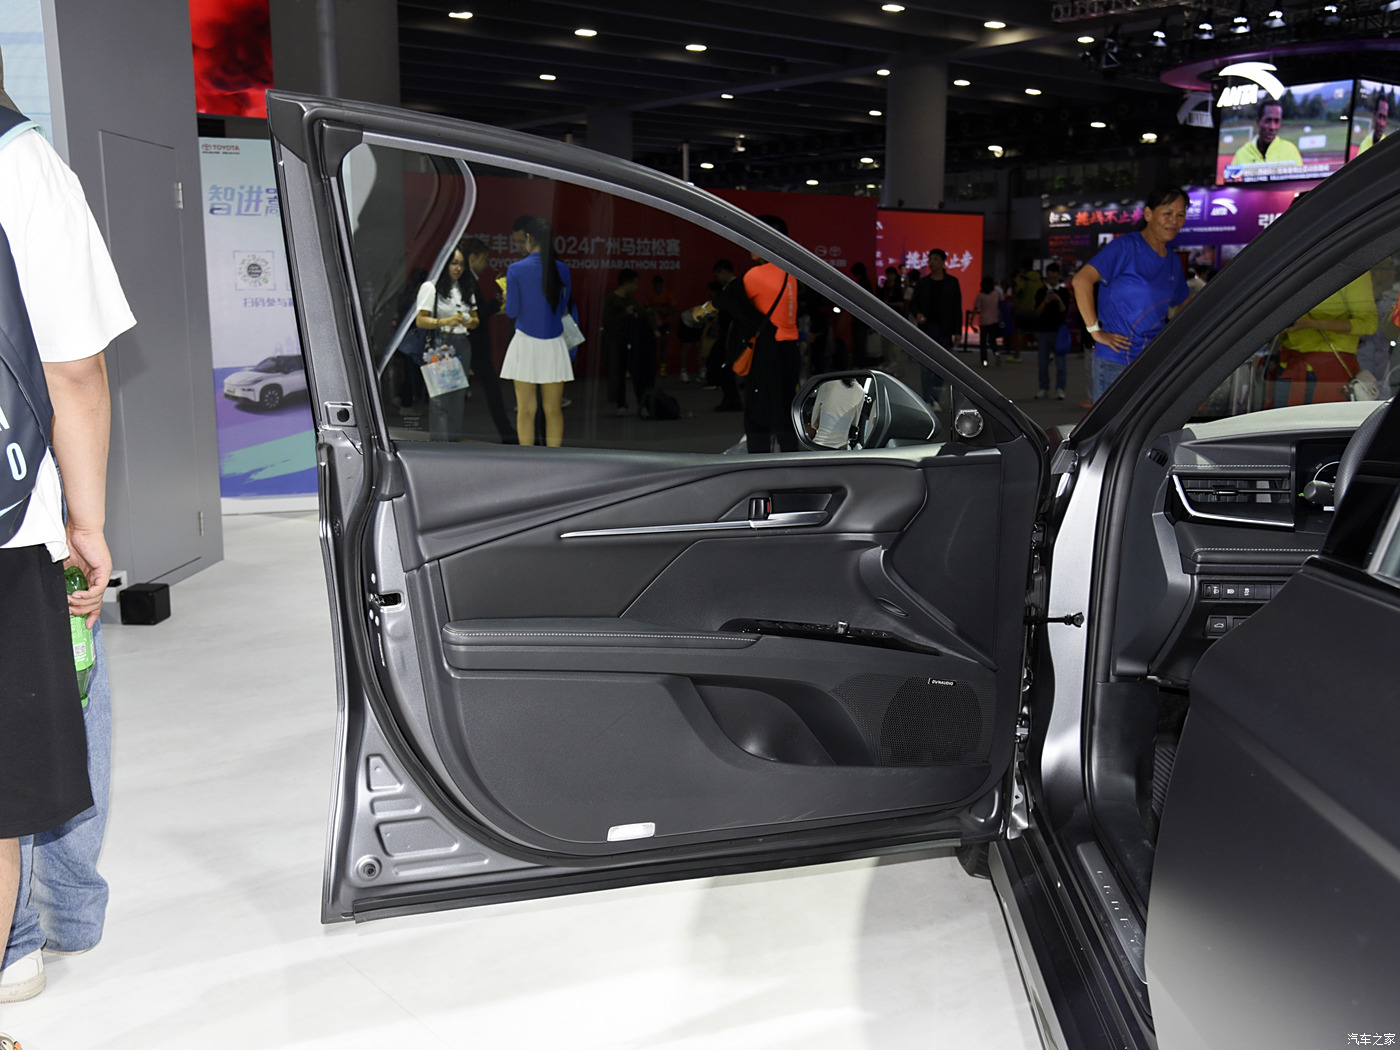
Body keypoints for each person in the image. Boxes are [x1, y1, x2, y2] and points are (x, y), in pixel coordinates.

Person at [0, 90, 134, 1017]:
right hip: (11, 521)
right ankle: (38, 929)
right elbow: (73, 371)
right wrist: (86, 524)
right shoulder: (20, 163)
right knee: (48, 703)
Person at [1071, 185, 1191, 400]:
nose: (1174, 221)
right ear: (1148, 214)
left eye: (1180, 215)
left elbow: (1184, 302)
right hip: (1115, 361)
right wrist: (1095, 331)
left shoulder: (1172, 261)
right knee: (1111, 422)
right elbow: (1081, 281)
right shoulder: (1126, 247)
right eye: (1167, 213)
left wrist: (1171, 337)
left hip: (1153, 362)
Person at [501, 215, 574, 446]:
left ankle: (526, 459)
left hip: (525, 343)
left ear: (529, 237)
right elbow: (562, 308)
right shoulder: (562, 269)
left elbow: (512, 311)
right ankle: (554, 458)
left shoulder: (516, 269)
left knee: (525, 410)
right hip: (554, 343)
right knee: (553, 410)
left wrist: (506, 297)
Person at [1268, 273, 1378, 406]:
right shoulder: (1291, 270)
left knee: (1322, 418)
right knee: (1283, 418)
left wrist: (1313, 324)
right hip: (1290, 364)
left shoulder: (1352, 271)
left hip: (1330, 367)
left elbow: (1368, 324)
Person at [740, 216, 801, 452]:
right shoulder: (791, 273)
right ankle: (790, 463)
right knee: (785, 412)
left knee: (758, 415)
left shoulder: (755, 276)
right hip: (789, 350)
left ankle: (759, 465)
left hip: (766, 353)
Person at [414, 246, 475, 442]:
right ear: (444, 263)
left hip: (462, 341)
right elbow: (420, 320)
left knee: (458, 399)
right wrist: (445, 321)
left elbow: (476, 318)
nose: (458, 268)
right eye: (454, 263)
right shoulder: (431, 287)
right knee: (441, 400)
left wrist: (469, 321)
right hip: (442, 343)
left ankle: (453, 444)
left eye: (462, 264)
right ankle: (440, 446)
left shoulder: (464, 287)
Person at [459, 238, 515, 443]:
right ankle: (506, 433)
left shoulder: (468, 279)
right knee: (491, 388)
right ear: (473, 257)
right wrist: (496, 303)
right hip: (474, 344)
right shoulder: (466, 280)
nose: (486, 265)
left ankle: (506, 432)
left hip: (474, 343)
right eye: (484, 259)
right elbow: (476, 314)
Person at [686, 259, 745, 412]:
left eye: (718, 274)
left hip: (731, 333)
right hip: (727, 333)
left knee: (722, 363)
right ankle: (730, 398)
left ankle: (732, 399)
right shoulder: (731, 287)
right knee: (721, 363)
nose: (717, 278)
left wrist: (702, 311)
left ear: (724, 272)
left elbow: (723, 305)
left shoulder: (736, 287)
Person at [909, 248, 961, 406]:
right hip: (927, 328)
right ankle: (927, 399)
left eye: (935, 259)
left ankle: (935, 398)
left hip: (944, 329)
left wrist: (958, 331)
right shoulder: (923, 283)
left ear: (943, 262)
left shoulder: (952, 282)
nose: (932, 262)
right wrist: (918, 314)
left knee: (941, 366)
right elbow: (914, 303)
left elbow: (956, 307)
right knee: (925, 366)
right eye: (930, 259)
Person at [1034, 263, 1069, 399]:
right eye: (1049, 277)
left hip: (1059, 331)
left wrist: (1058, 300)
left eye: (1054, 277)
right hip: (1043, 331)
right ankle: (1043, 388)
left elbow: (1064, 311)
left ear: (1058, 276)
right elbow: (1037, 312)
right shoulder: (1041, 292)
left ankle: (1060, 388)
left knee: (1061, 363)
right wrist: (1045, 301)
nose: (1052, 280)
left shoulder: (1064, 292)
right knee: (1042, 362)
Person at [1231, 101, 1302, 167]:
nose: (1272, 127)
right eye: (1268, 121)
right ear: (1258, 122)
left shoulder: (1290, 150)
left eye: (1276, 121)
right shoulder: (1241, 154)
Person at [972, 275, 1002, 367]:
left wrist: (971, 321)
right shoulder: (996, 294)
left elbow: (976, 308)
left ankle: (984, 361)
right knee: (992, 341)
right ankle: (996, 352)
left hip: (983, 321)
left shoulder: (980, 295)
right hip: (995, 320)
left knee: (983, 342)